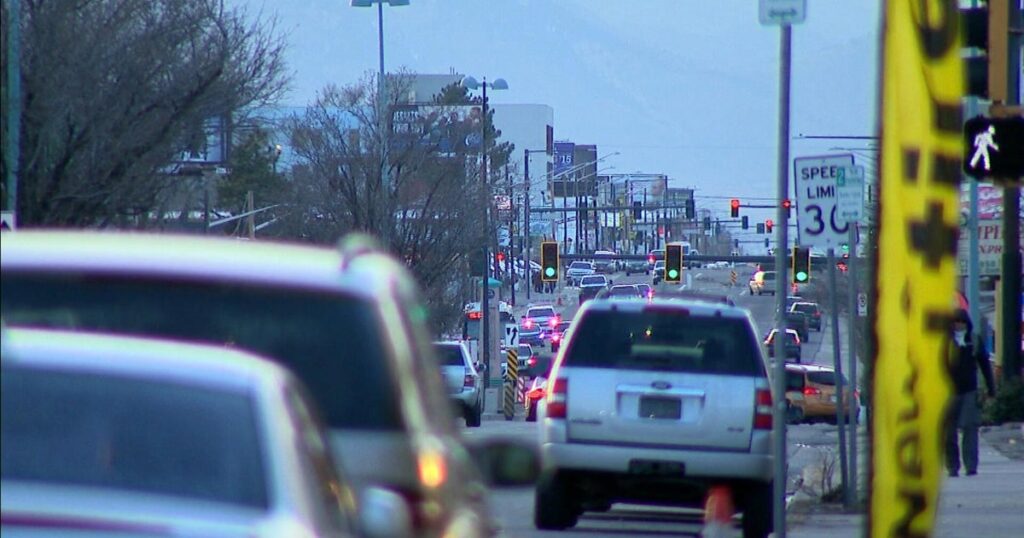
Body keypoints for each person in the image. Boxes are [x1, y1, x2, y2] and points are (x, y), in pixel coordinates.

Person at [945, 308, 996, 477]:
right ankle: (952, 466)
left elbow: (985, 365)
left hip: (969, 391)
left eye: (962, 322)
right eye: (956, 322)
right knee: (948, 432)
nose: (959, 325)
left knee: (970, 428)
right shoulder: (943, 342)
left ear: (967, 324)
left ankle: (971, 465)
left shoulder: (974, 340)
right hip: (948, 393)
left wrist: (991, 388)